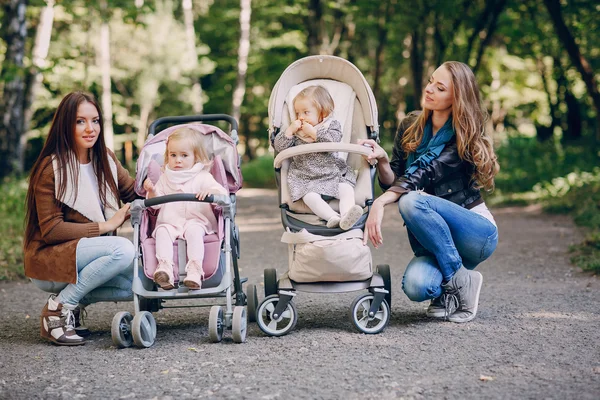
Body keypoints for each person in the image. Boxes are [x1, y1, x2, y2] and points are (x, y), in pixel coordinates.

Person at [360, 61, 499, 323]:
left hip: (475, 233)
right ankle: (453, 284)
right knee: (417, 286)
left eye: (440, 87)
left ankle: (458, 280)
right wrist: (383, 161)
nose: (429, 89)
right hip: (435, 240)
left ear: (456, 97)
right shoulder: (411, 125)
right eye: (430, 81)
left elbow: (424, 173)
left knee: (412, 200)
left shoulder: (463, 135)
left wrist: (379, 204)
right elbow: (396, 182)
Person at [24, 91, 137, 346]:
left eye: (95, 120)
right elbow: (51, 231)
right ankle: (58, 308)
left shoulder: (104, 158)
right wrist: (105, 226)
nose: (90, 129)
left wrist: (156, 184)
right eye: (80, 121)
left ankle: (72, 305)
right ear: (66, 125)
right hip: (50, 257)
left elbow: (132, 192)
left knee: (136, 283)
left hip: (87, 255)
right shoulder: (50, 168)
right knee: (123, 250)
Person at [143, 127, 228, 290]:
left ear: (195, 157)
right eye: (173, 155)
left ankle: (195, 270)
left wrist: (211, 191)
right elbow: (155, 204)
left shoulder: (203, 176)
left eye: (184, 155)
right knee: (161, 232)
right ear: (167, 156)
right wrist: (152, 191)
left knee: (194, 232)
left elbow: (222, 193)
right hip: (170, 222)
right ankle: (164, 269)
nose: (178, 160)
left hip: (197, 221)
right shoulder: (165, 177)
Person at [273, 85, 363, 230]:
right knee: (310, 198)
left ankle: (347, 216)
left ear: (323, 113)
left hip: (332, 175)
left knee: (346, 189)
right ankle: (332, 217)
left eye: (306, 112)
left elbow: (333, 140)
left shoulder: (331, 126)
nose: (300, 117)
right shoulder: (296, 132)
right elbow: (279, 147)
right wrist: (289, 131)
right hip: (306, 178)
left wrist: (314, 133)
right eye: (297, 113)